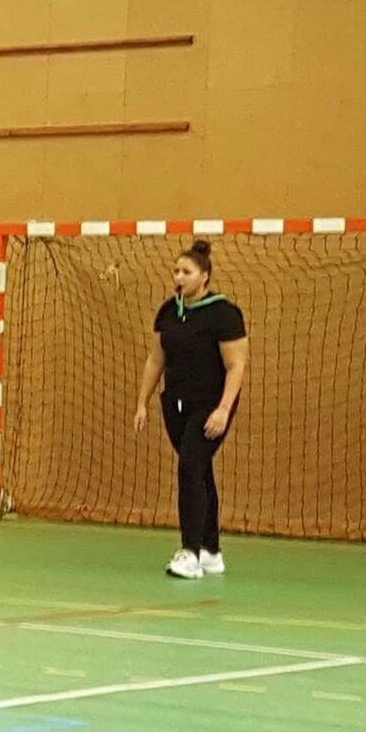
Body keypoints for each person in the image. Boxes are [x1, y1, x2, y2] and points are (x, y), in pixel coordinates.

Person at [133, 240, 248, 580]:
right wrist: (142, 402)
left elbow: (236, 366)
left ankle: (190, 553)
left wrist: (223, 409)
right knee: (199, 470)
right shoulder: (169, 311)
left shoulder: (224, 313)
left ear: (204, 276)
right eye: (176, 271)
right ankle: (211, 551)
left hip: (210, 406)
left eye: (187, 271)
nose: (179, 277)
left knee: (190, 467)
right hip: (176, 405)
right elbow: (156, 358)